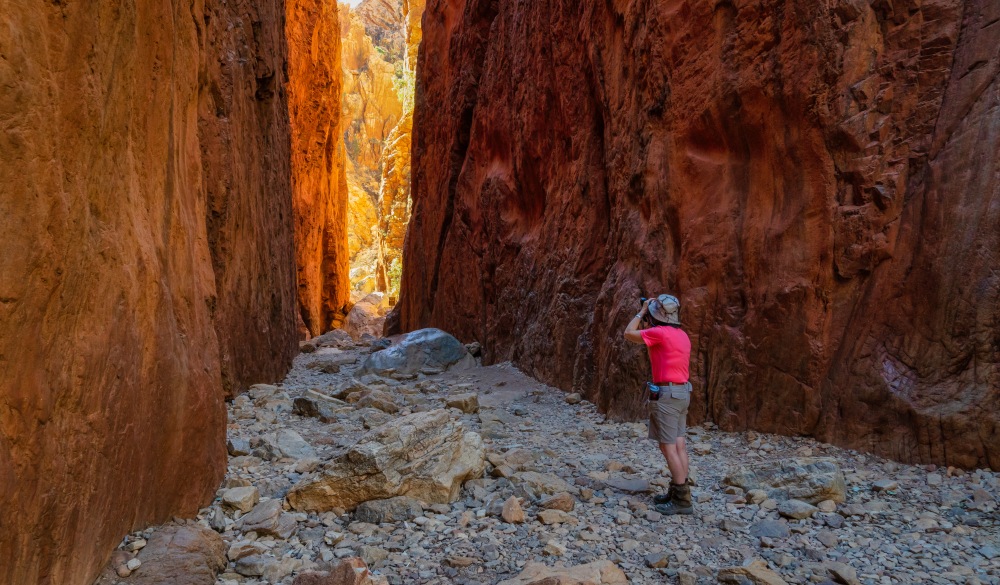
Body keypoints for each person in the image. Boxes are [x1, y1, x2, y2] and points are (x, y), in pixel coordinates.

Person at [624, 293, 694, 515]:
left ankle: (682, 499)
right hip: (683, 392)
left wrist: (641, 312)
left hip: (667, 393)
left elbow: (628, 333)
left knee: (667, 446)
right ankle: (679, 490)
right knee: (679, 443)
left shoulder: (658, 334)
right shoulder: (682, 335)